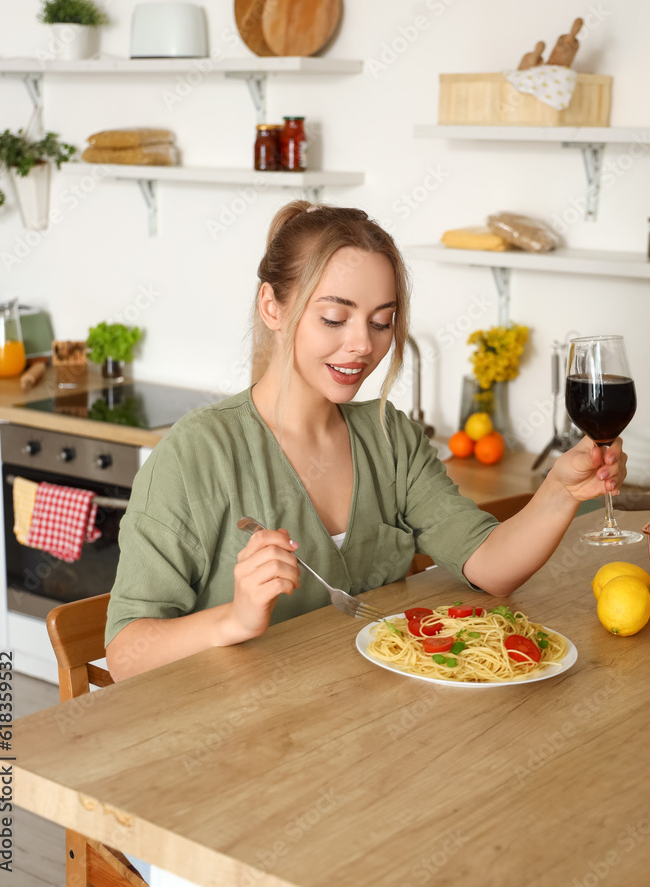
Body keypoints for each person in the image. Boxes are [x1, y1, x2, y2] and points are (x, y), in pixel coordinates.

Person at [105, 200, 627, 682]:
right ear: (273, 307)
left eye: (382, 322)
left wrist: (561, 490)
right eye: (334, 318)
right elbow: (125, 653)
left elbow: (490, 568)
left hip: (364, 722)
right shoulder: (196, 454)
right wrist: (234, 619)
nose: (362, 345)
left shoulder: (388, 437)